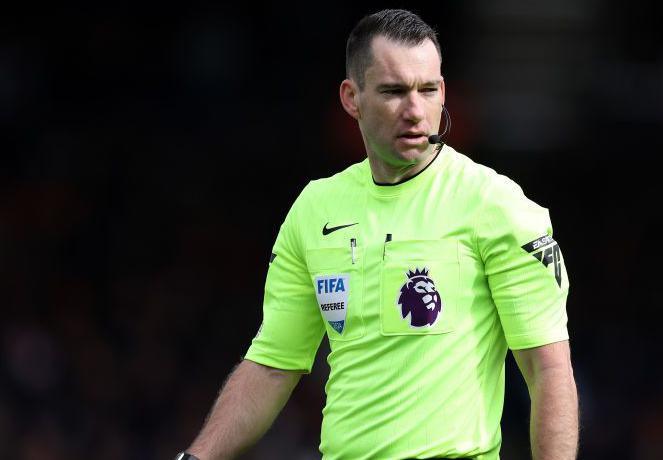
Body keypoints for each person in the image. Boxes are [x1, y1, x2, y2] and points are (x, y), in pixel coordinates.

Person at [177, 9, 578, 460]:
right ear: (352, 98)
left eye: (428, 90)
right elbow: (273, 364)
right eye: (393, 91)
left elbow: (547, 369)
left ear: (443, 92)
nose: (414, 110)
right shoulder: (315, 209)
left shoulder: (496, 205)